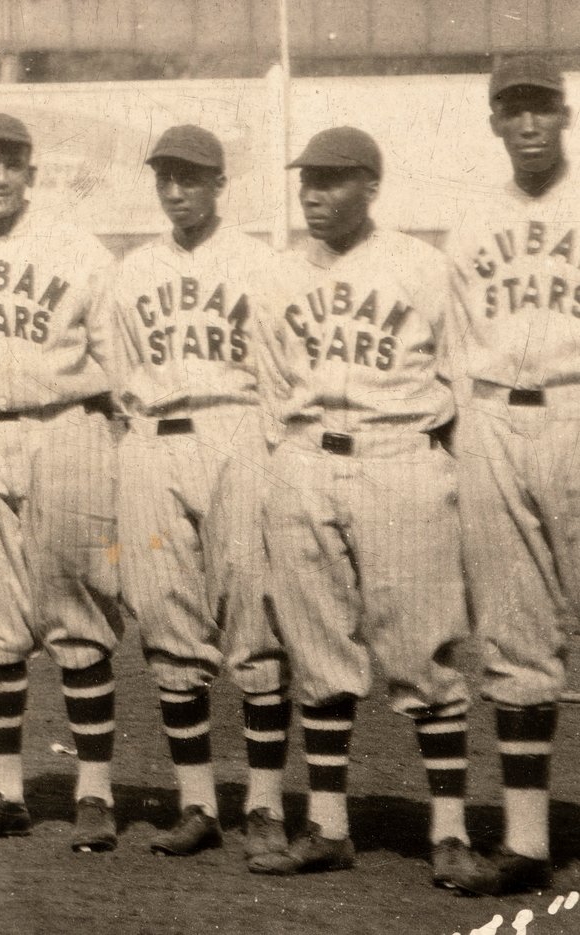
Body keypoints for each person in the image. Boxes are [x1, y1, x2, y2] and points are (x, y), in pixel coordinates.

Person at [249, 126, 489, 891]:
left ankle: (448, 829)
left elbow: (461, 380)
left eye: (333, 179)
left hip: (400, 455)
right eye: (307, 180)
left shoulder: (422, 267)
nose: (313, 193)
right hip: (307, 456)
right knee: (317, 648)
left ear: (373, 185)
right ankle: (327, 824)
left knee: (423, 648)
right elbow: (268, 387)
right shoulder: (278, 276)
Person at [0, 114, 121, 851]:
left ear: (32, 173)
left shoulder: (79, 250)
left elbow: (115, 353)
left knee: (78, 609)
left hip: (65, 423)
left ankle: (95, 791)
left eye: (12, 164)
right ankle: (3, 789)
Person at [103, 125, 291, 861]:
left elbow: (278, 365)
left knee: (254, 608)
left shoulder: (259, 263)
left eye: (192, 177)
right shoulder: (133, 269)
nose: (177, 190)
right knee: (166, 613)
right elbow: (120, 371)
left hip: (236, 427)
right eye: (166, 177)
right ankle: (198, 802)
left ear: (219, 183)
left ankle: (268, 805)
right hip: (154, 435)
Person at [447, 54, 580, 894]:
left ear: (565, 116)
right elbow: (457, 340)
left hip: (576, 402)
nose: (528, 123)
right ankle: (527, 843)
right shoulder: (469, 224)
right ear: (494, 122)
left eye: (542, 108)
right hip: (495, 412)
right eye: (513, 110)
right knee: (514, 629)